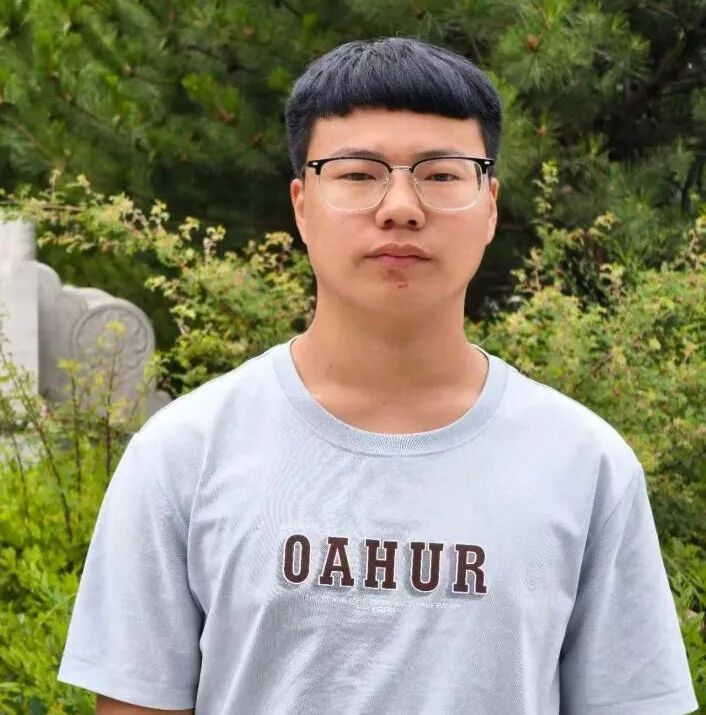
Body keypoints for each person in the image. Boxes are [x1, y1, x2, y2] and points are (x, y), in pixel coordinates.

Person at [57, 37, 699, 715]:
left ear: (489, 206)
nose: (400, 206)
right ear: (302, 205)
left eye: (442, 175)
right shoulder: (184, 452)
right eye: (358, 174)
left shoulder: (585, 463)